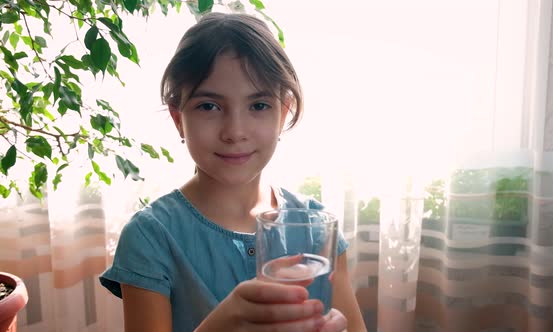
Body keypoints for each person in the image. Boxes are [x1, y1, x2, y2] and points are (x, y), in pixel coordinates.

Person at [99, 12, 366, 332]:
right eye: (209, 106)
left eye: (258, 105)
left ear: (283, 113)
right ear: (177, 118)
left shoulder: (318, 230)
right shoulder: (151, 237)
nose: (235, 131)